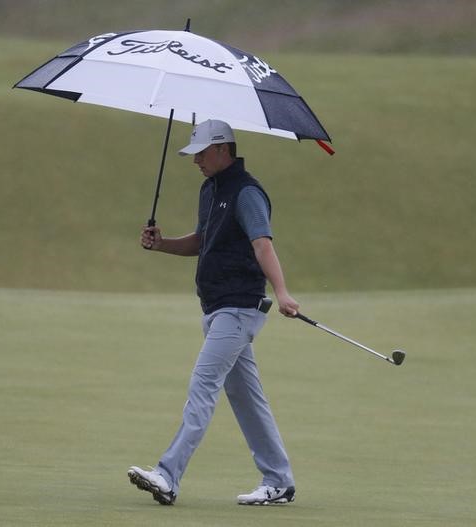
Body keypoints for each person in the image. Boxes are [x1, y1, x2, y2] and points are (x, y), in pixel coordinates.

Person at [127, 119, 300, 506]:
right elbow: (203, 242)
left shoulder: (247, 193)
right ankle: (279, 481)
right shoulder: (211, 190)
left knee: (203, 386)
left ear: (223, 149)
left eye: (202, 153)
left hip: (238, 308)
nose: (196, 161)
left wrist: (283, 291)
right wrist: (162, 245)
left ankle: (168, 475)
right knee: (246, 397)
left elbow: (262, 245)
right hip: (217, 307)